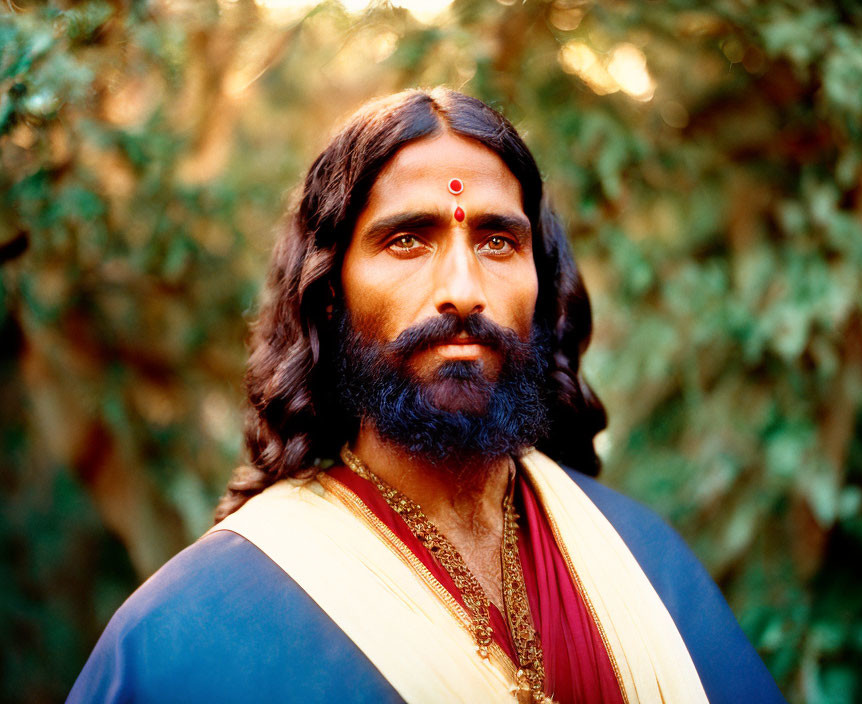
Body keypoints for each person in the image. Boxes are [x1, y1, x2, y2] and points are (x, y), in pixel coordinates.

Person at [68, 88, 786, 704]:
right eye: (409, 240)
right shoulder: (193, 637)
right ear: (327, 294)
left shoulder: (646, 564)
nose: (463, 291)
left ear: (542, 286)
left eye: (498, 242)